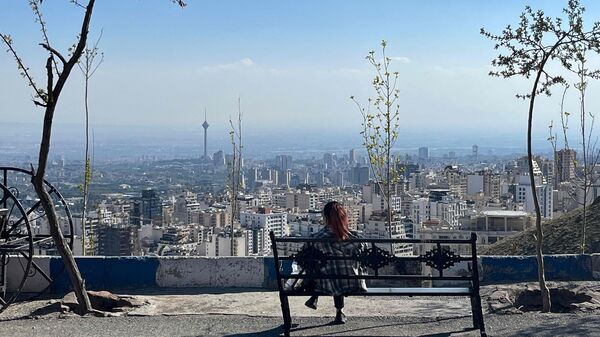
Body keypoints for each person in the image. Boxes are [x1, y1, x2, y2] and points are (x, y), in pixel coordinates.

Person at [301, 201, 367, 324]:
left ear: (325, 218)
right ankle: (339, 312)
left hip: (325, 284)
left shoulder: (315, 239)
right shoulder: (356, 239)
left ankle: (315, 295)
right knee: (339, 270)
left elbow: (303, 258)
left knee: (324, 269)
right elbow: (363, 261)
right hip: (352, 283)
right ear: (344, 217)